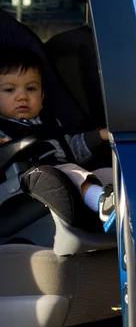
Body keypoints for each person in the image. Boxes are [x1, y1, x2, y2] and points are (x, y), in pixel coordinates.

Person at [0, 46, 114, 230]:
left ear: (43, 96)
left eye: (31, 88)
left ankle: (127, 207)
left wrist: (100, 135)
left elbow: (73, 148)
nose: (22, 96)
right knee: (69, 172)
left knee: (107, 173)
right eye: (9, 90)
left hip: (65, 177)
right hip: (26, 190)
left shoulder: (51, 124)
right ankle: (105, 205)